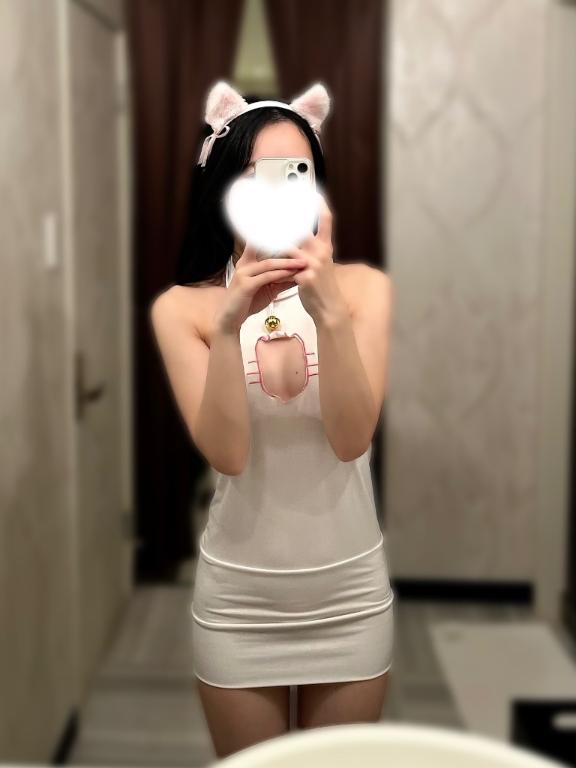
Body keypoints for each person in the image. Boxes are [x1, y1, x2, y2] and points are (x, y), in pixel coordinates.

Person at [150, 80, 395, 759]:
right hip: (239, 604)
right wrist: (231, 324)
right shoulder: (184, 310)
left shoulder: (365, 292)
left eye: (298, 175)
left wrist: (329, 314)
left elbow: (350, 439)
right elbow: (228, 455)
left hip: (349, 594)